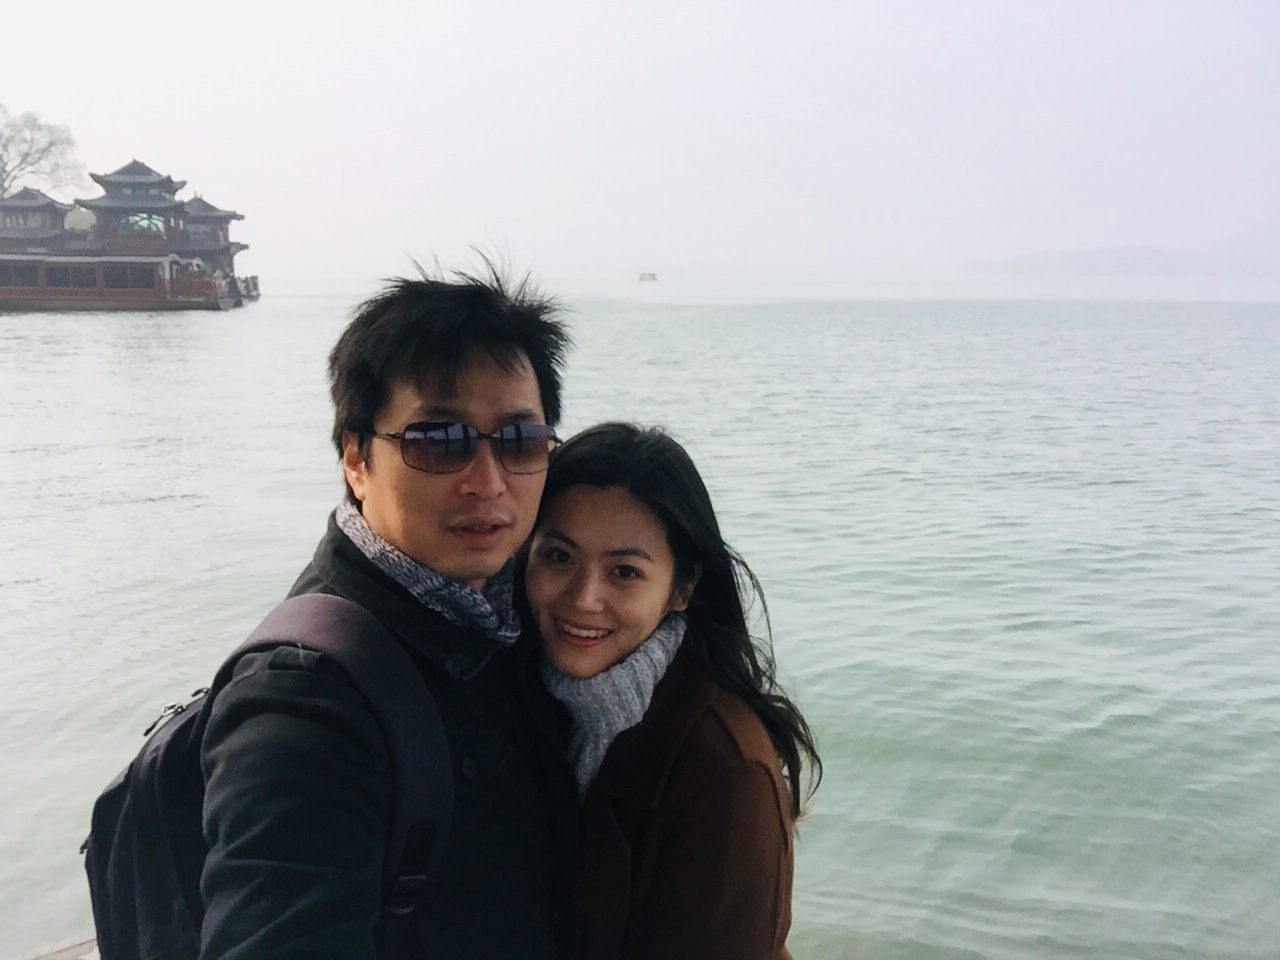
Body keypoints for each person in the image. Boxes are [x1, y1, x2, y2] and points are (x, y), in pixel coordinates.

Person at [198, 265, 578, 960]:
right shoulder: (304, 701)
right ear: (356, 459)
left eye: (519, 441)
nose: (488, 482)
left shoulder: (515, 607)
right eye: (439, 442)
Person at [522, 422, 822, 960]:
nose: (584, 598)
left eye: (625, 572)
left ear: (682, 588)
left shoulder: (725, 769)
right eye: (559, 557)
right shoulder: (519, 696)